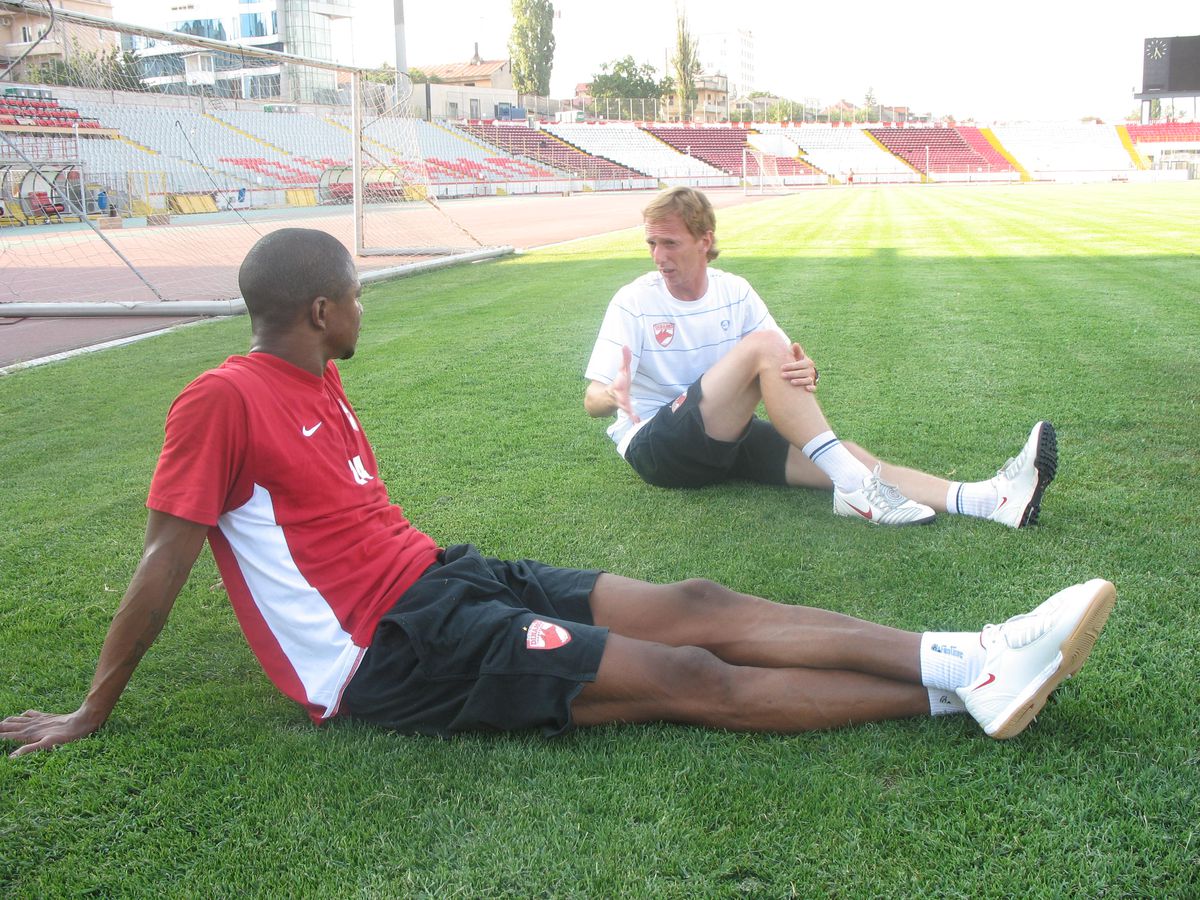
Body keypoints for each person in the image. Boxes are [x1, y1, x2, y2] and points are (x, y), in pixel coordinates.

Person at [0, 228, 1115, 759]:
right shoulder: (223, 398)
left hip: (439, 579)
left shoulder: (315, 384)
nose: (360, 310)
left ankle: (967, 648)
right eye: (353, 295)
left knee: (697, 599)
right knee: (687, 674)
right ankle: (967, 680)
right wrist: (94, 707)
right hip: (384, 651)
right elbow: (164, 558)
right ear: (322, 310)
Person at [584, 186, 1057, 527]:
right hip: (657, 448)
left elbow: (785, 361)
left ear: (704, 240)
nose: (657, 255)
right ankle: (859, 494)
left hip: (724, 440)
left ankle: (985, 499)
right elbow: (592, 400)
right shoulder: (635, 300)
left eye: (670, 242)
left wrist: (804, 368)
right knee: (771, 357)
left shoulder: (735, 291)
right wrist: (614, 392)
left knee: (843, 459)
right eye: (651, 243)